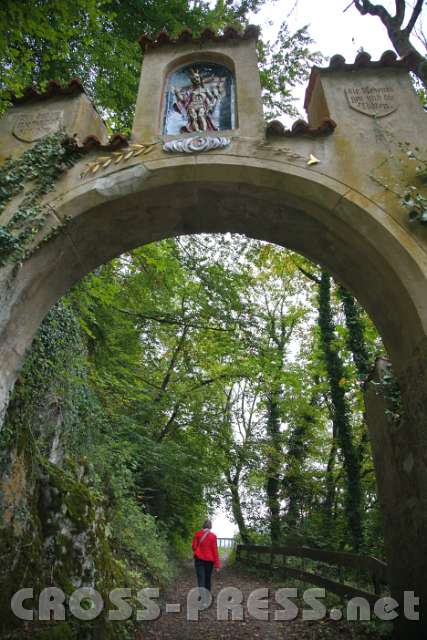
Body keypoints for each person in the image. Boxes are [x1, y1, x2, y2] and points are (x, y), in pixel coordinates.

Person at [192, 518, 220, 594]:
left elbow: (194, 547)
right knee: (207, 579)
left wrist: (199, 551)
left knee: (201, 579)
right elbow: (215, 551)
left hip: (199, 560)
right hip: (209, 561)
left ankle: (202, 599)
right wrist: (217, 565)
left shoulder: (197, 534)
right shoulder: (213, 536)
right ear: (210, 526)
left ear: (203, 525)